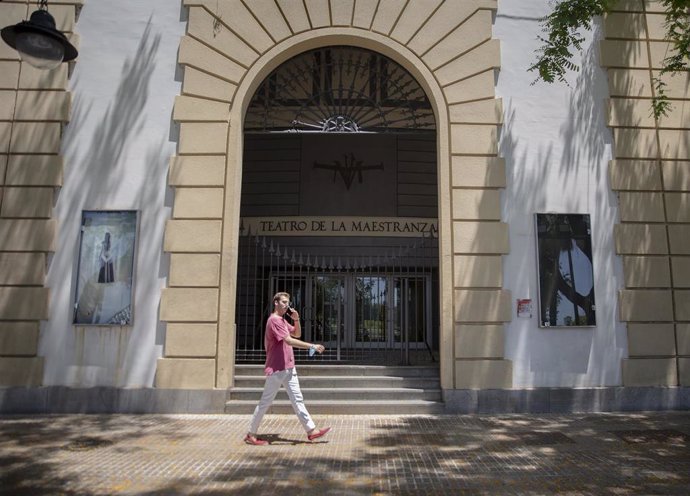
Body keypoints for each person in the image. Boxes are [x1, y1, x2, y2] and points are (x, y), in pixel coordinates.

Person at [244, 292, 332, 445]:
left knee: (298, 399)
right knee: (265, 402)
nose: (286, 305)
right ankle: (251, 434)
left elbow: (296, 334)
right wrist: (312, 346)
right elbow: (288, 341)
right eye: (283, 302)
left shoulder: (283, 321)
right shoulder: (274, 320)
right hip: (277, 368)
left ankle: (311, 431)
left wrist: (296, 319)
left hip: (289, 367)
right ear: (275, 303)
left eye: (288, 302)